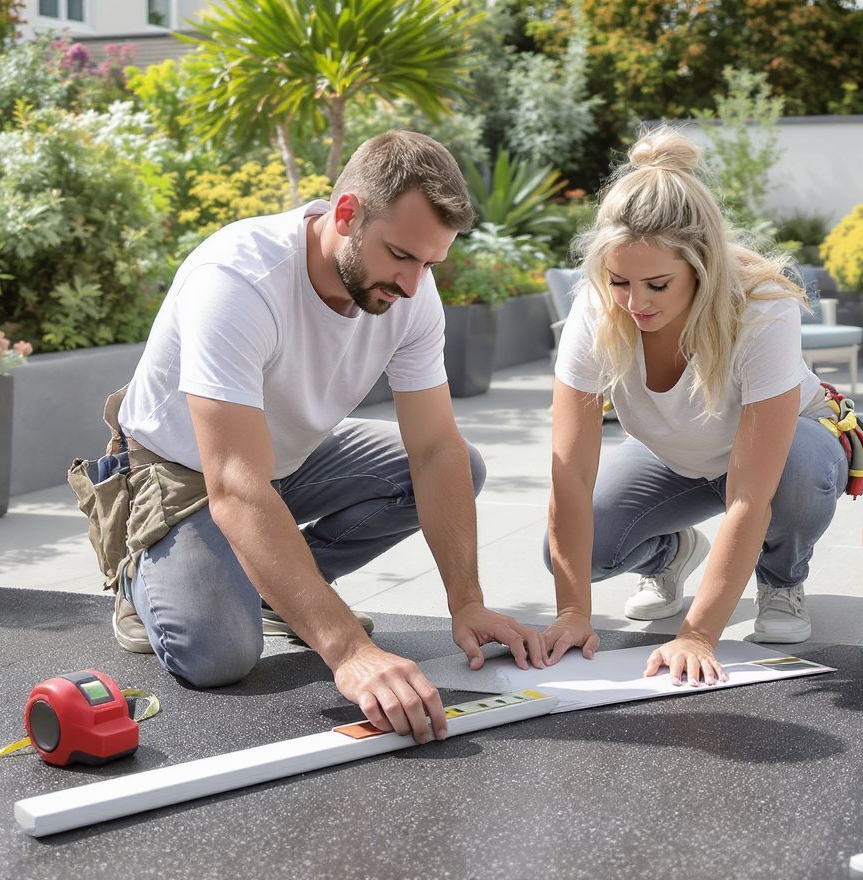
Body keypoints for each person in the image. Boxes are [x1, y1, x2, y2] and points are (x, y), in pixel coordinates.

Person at [110, 131, 545, 744]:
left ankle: (273, 586)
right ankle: (139, 573)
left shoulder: (410, 294)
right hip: (185, 473)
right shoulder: (237, 280)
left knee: (459, 465)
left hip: (288, 459)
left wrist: (467, 602)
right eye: (401, 255)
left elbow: (434, 449)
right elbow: (234, 485)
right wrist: (348, 650)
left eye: (429, 263)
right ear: (346, 214)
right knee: (219, 656)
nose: (414, 284)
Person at [540, 128, 851, 688]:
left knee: (797, 473)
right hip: (680, 459)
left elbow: (749, 494)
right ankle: (670, 554)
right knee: (576, 554)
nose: (636, 303)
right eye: (620, 282)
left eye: (658, 284)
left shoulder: (762, 306)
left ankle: (781, 578)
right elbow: (571, 473)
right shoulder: (596, 308)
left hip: (785, 455)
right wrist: (572, 614)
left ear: (702, 267)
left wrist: (698, 634)